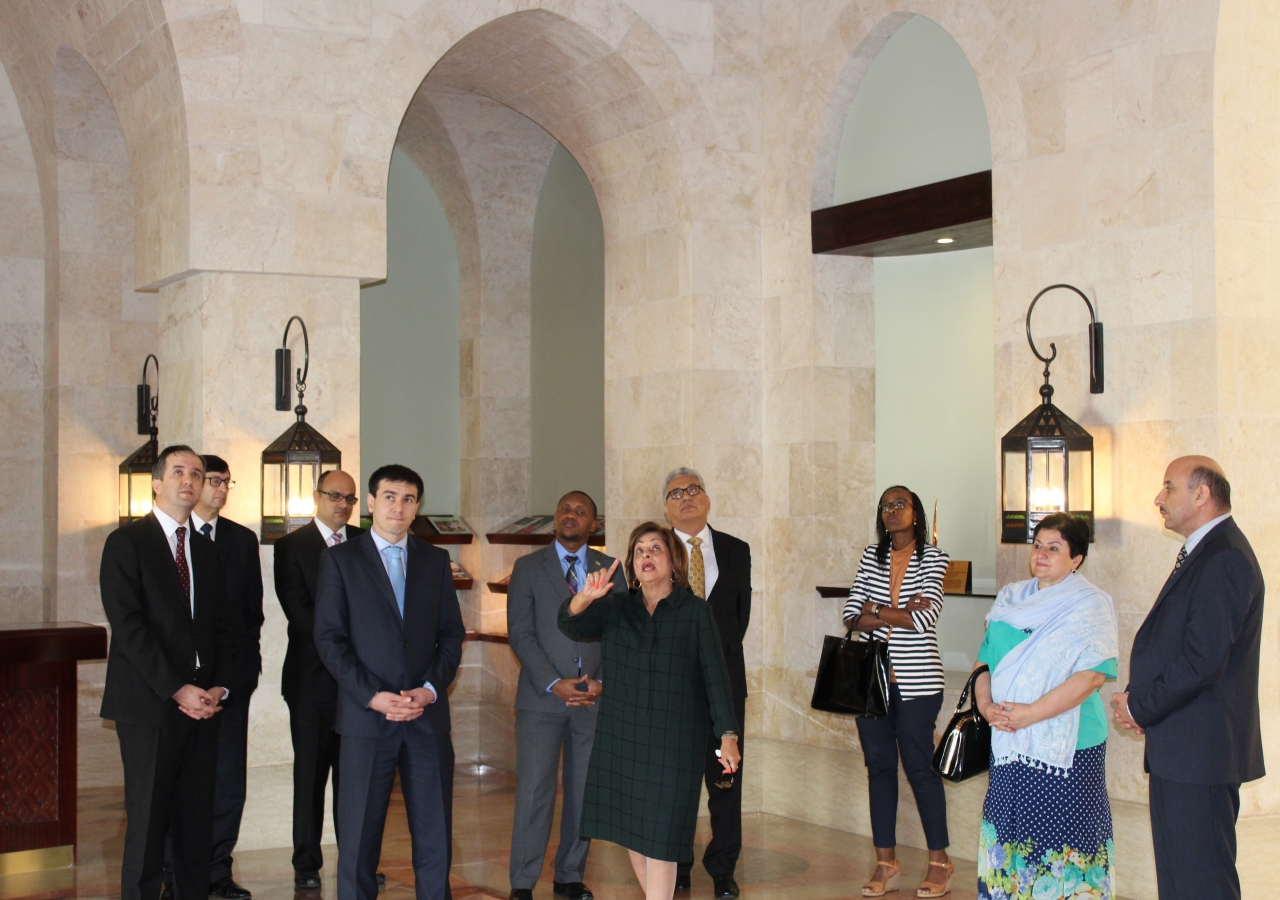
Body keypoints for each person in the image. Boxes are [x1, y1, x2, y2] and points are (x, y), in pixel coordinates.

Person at [559, 522, 740, 900]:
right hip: (623, 739)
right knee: (635, 835)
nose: (646, 556)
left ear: (673, 561)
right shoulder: (617, 608)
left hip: (674, 745)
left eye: (655, 548)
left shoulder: (695, 612)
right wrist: (585, 596)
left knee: (663, 839)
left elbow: (716, 678)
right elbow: (569, 622)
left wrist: (728, 735)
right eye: (639, 550)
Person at [1112, 457, 1264, 900]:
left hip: (1201, 753)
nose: (1158, 499)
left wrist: (1140, 705)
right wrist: (1140, 700)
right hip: (1184, 749)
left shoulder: (1225, 558)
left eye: (1168, 487)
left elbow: (1203, 660)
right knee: (1181, 883)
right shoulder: (1208, 551)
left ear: (1202, 494)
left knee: (1202, 884)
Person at [314, 464, 466, 900]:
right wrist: (372, 695)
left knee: (435, 837)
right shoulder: (341, 560)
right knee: (359, 840)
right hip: (366, 721)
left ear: (417, 507)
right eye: (390, 497)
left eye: (408, 499)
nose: (398, 507)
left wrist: (431, 689)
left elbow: (450, 636)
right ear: (372, 503)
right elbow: (329, 639)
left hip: (425, 718)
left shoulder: (435, 560)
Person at [99, 445, 232, 900]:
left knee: (195, 823)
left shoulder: (208, 552)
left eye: (197, 474)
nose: (189, 481)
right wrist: (178, 689)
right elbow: (129, 626)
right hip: (150, 704)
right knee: (149, 823)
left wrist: (217, 688)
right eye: (178, 471)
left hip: (202, 708)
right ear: (156, 483)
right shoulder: (127, 543)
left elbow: (223, 629)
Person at [973, 513, 1119, 900]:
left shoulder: (1090, 605)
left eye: (1054, 548)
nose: (1042, 554)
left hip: (1071, 751)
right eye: (1037, 545)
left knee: (1063, 845)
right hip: (1008, 740)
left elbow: (1092, 677)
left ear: (1077, 559)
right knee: (1011, 838)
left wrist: (1030, 714)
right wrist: (986, 706)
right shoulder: (1010, 599)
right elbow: (984, 662)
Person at [506, 491, 625, 900]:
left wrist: (602, 683)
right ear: (555, 518)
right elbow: (520, 633)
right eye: (564, 509)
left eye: (581, 511)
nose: (570, 515)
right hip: (541, 701)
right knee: (535, 792)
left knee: (583, 791)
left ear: (595, 524)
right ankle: (522, 881)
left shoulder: (610, 569)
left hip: (593, 701)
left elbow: (619, 635)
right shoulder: (526, 568)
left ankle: (569, 875)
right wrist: (552, 682)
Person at [841, 486, 953, 899]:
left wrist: (876, 610)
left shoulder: (935, 559)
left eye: (900, 504)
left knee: (920, 769)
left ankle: (940, 863)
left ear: (916, 513)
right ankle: (886, 861)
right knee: (879, 768)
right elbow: (851, 616)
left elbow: (924, 620)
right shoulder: (871, 557)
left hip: (918, 684)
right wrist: (892, 613)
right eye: (885, 506)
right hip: (870, 680)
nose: (891, 511)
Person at [163, 455, 264, 900]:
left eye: (226, 482)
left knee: (227, 785)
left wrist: (234, 681)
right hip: (179, 690)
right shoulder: (170, 541)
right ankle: (173, 873)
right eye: (213, 480)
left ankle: (217, 872)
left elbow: (250, 617)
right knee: (177, 784)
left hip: (229, 686)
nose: (220, 489)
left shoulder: (242, 540)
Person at [661, 468, 752, 900]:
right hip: (673, 689)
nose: (686, 498)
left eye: (693, 490)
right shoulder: (654, 549)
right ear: (665, 507)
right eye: (676, 493)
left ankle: (722, 869)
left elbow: (739, 618)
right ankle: (677, 866)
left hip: (726, 687)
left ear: (707, 498)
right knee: (675, 783)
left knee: (725, 781)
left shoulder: (737, 549)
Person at [274, 469, 364, 889]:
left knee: (356, 777)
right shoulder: (292, 546)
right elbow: (300, 613)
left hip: (360, 686)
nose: (342, 505)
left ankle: (356, 859)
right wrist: (347, 648)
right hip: (312, 681)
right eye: (334, 496)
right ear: (316, 496)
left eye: (349, 498)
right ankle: (306, 863)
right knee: (310, 775)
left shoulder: (365, 544)